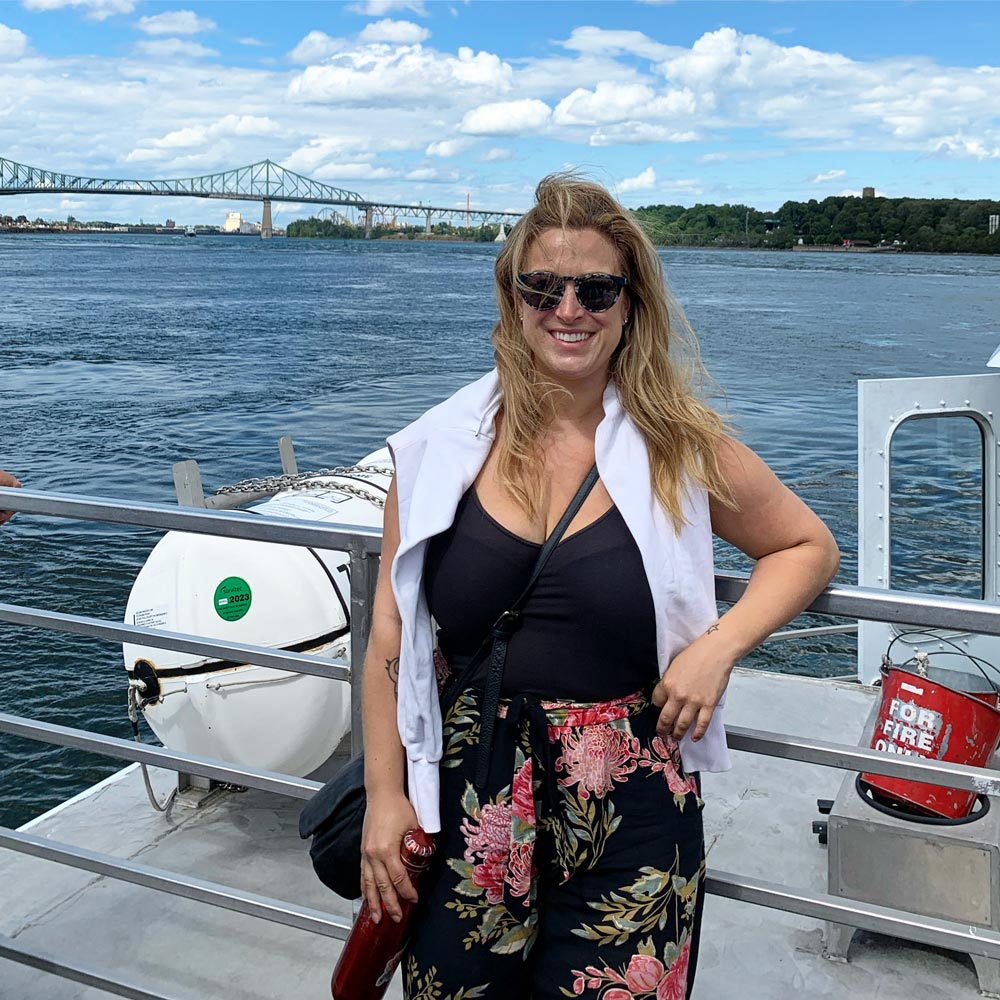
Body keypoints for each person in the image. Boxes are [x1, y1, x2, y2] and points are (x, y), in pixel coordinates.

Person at [359, 174, 839, 999]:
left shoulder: (679, 448)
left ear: (629, 305)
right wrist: (382, 796)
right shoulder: (437, 448)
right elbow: (389, 646)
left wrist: (718, 648)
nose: (568, 308)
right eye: (541, 286)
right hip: (469, 790)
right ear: (513, 301)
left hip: (633, 799)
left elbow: (805, 545)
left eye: (596, 287)